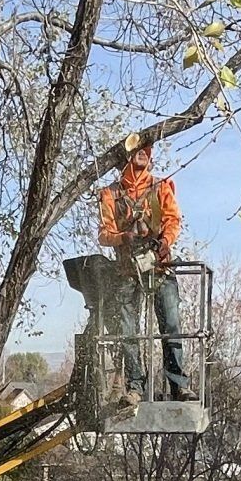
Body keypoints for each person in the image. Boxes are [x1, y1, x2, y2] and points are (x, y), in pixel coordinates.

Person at [95, 138, 193, 404]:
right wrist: (122, 238)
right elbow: (104, 233)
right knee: (129, 330)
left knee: (171, 324)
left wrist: (164, 242)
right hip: (128, 270)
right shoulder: (110, 194)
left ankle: (179, 385)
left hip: (159, 266)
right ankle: (135, 386)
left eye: (146, 150)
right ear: (124, 156)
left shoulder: (161, 187)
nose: (142, 153)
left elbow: (173, 220)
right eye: (136, 149)